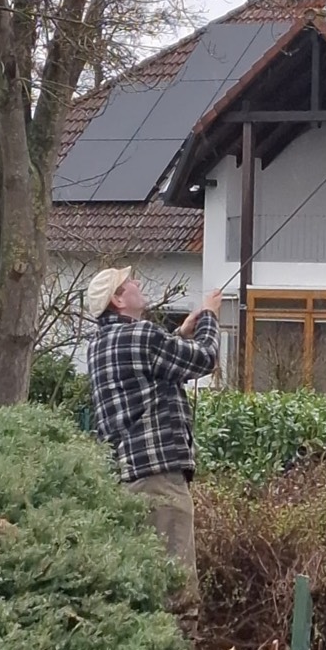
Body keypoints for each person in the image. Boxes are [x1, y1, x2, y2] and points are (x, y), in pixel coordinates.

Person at [85, 266, 222, 621]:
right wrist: (209, 316)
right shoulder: (143, 337)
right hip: (161, 480)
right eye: (129, 282)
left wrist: (179, 332)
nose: (137, 284)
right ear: (117, 300)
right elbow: (205, 358)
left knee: (145, 589)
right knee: (177, 592)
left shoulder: (99, 345)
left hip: (127, 480)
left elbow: (145, 371)